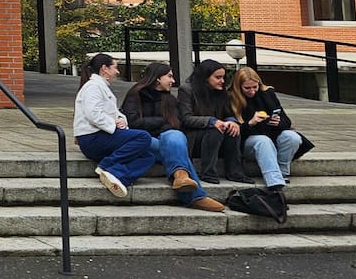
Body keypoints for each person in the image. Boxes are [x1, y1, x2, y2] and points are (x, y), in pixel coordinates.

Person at [120, 62, 224, 212]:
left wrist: (162, 125)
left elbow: (176, 124)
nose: (173, 81)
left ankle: (181, 177)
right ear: (157, 78)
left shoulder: (169, 99)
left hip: (165, 139)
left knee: (175, 135)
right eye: (169, 76)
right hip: (143, 141)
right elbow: (133, 122)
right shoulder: (135, 95)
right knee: (176, 151)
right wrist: (162, 121)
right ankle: (196, 196)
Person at [72, 53, 155, 198]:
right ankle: (107, 165)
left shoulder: (100, 87)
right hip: (92, 138)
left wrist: (121, 119)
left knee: (148, 157)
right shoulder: (93, 87)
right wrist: (114, 123)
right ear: (105, 68)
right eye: (115, 68)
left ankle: (117, 175)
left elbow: (114, 112)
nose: (117, 72)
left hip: (101, 135)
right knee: (143, 137)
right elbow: (93, 114)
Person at [228, 66, 309, 189]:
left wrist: (278, 122)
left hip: (271, 136)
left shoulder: (268, 94)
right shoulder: (231, 98)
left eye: (254, 87)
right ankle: (274, 181)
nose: (252, 91)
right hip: (246, 142)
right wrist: (251, 123)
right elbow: (234, 131)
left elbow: (286, 121)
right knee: (263, 141)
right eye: (247, 88)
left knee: (292, 137)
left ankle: (282, 172)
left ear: (259, 84)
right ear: (239, 87)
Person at [176, 58, 253, 184]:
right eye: (218, 77)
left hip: (218, 132)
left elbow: (228, 113)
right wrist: (212, 121)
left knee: (233, 129)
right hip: (195, 136)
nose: (222, 81)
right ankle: (208, 173)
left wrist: (232, 121)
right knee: (215, 130)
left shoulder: (221, 91)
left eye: (223, 77)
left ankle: (235, 173)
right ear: (206, 77)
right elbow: (186, 118)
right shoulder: (186, 90)